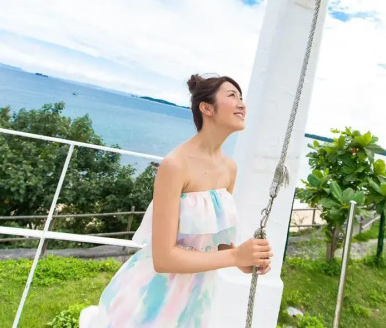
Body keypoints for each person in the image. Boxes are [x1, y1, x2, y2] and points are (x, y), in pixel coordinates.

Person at [80, 73, 273, 327]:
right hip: (154, 296)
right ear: (207, 108)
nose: (242, 104)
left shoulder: (230, 169)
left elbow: (215, 242)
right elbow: (163, 259)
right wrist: (236, 256)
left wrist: (245, 259)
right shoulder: (175, 165)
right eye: (232, 96)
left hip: (197, 298)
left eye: (241, 97)